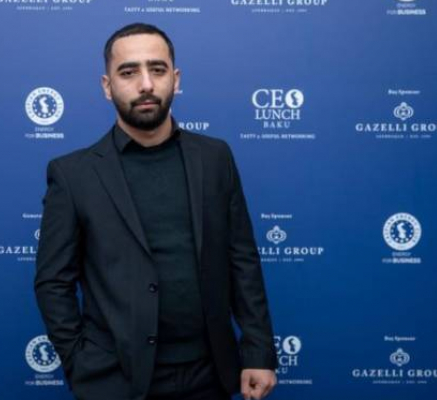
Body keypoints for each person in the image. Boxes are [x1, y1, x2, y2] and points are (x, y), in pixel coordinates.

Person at [34, 22, 277, 400]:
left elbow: (241, 258)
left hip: (210, 375)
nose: (145, 84)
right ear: (107, 86)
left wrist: (259, 351)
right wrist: (80, 363)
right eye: (128, 72)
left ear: (175, 80)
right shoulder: (72, 174)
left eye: (158, 69)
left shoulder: (215, 158)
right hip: (116, 379)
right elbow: (53, 282)